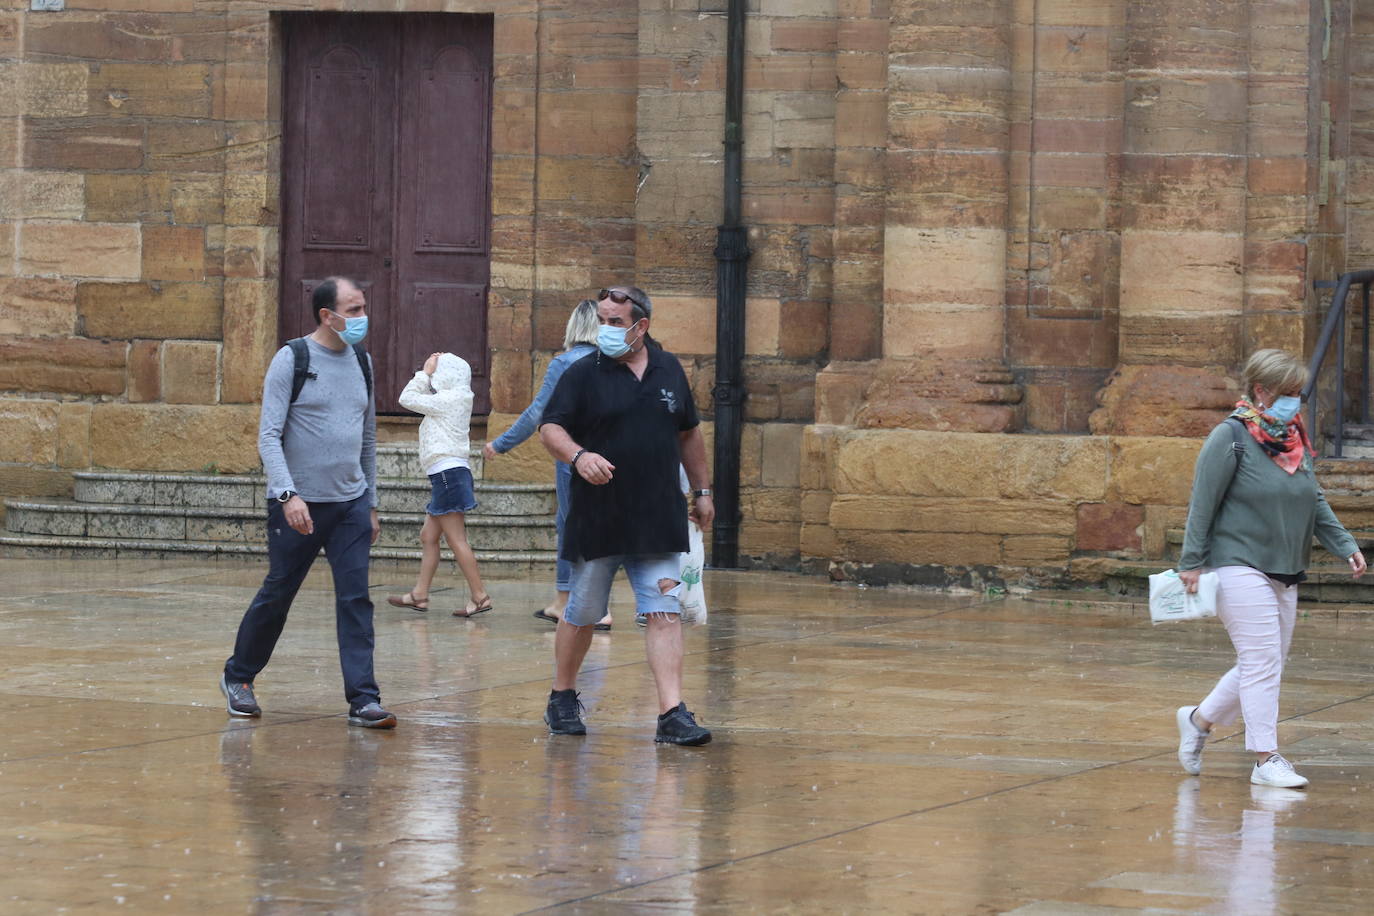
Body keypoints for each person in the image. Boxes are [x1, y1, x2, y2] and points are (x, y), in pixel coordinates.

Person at [1174, 349, 1366, 787]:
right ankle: (1266, 759)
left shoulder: (1294, 438)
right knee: (1261, 659)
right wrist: (1191, 562)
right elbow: (1202, 501)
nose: (1295, 402)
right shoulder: (1231, 436)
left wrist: (1344, 543)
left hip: (1284, 564)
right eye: (1287, 393)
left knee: (1263, 663)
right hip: (1236, 562)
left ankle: (1199, 720)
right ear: (1261, 391)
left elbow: (1312, 497)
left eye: (1299, 394)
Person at [537, 284, 715, 746]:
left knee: (664, 610)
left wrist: (702, 491)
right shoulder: (582, 372)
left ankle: (671, 713)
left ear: (642, 326)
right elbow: (550, 427)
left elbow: (689, 434)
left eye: (615, 322)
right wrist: (578, 457)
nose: (606, 330)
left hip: (657, 518)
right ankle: (562, 695)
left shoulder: (670, 369)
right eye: (602, 321)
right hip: (599, 517)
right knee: (583, 611)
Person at [220, 277, 396, 729]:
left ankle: (364, 699)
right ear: (327, 315)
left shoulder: (362, 360)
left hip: (351, 504)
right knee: (279, 593)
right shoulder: (292, 358)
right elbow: (268, 435)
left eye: (362, 308)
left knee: (356, 599)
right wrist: (287, 495)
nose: (362, 318)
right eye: (353, 310)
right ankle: (239, 677)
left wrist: (371, 502)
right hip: (297, 505)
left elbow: (368, 437)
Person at [482, 300, 611, 629]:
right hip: (609, 456)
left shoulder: (564, 363)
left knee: (570, 527)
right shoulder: (614, 362)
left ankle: (565, 601)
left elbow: (538, 413)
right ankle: (600, 605)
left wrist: (500, 443)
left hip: (574, 457)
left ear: (573, 327)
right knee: (601, 526)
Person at [387, 352, 492, 617]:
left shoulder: (448, 399)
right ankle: (420, 595)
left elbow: (406, 398)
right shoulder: (454, 398)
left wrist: (424, 372)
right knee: (428, 536)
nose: (433, 379)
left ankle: (480, 597)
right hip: (447, 475)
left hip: (448, 475)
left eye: (436, 374)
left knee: (457, 539)